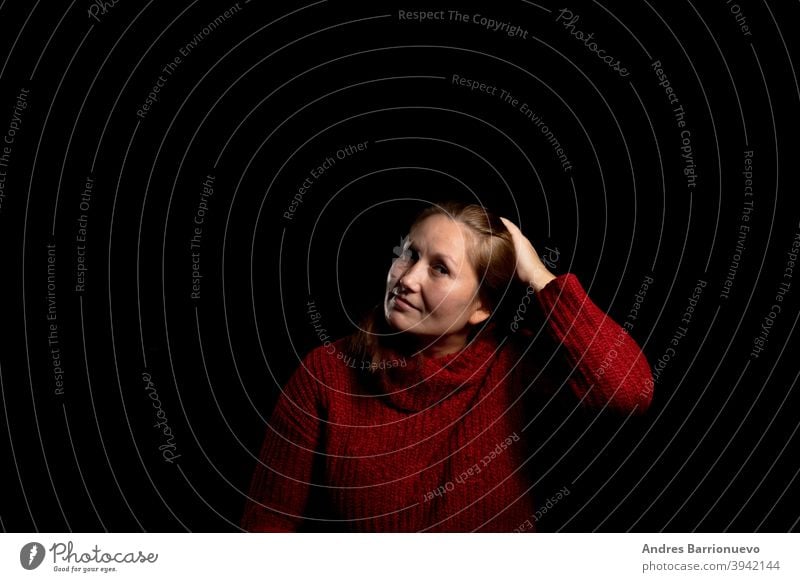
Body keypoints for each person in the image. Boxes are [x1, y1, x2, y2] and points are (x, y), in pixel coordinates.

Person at [240, 201, 654, 532]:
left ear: (482, 307)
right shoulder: (327, 373)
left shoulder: (514, 370)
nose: (407, 278)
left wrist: (539, 275)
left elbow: (628, 391)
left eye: (440, 268)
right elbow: (268, 523)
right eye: (408, 254)